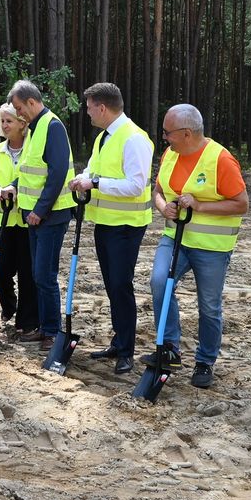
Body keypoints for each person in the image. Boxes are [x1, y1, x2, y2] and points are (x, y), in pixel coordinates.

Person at [149, 104, 249, 389]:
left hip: (212, 247)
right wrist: (162, 208)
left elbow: (242, 204)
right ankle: (169, 347)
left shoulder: (221, 160)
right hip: (175, 238)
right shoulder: (171, 153)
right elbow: (157, 191)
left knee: (209, 305)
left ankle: (205, 360)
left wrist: (200, 205)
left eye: (168, 133)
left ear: (187, 133)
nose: (165, 138)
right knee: (159, 283)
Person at [69, 82, 154, 375]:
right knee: (111, 286)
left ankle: (127, 350)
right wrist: (82, 178)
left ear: (102, 108)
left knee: (121, 285)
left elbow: (135, 184)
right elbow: (94, 170)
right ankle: (119, 342)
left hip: (127, 226)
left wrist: (94, 184)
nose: (87, 113)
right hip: (105, 222)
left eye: (90, 107)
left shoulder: (134, 139)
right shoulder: (104, 137)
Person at [2, 80, 76, 351]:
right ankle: (45, 327)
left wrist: (39, 210)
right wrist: (14, 185)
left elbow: (57, 174)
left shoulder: (53, 126)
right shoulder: (35, 128)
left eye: (20, 108)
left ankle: (53, 332)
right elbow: (31, 170)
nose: (19, 114)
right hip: (35, 215)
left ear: (32, 102)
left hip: (50, 217)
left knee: (45, 275)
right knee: (37, 274)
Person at [0, 103, 38, 337]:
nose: (5, 125)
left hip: (27, 220)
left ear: (22, 122)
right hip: (5, 220)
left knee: (27, 272)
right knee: (2, 270)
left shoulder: (32, 147)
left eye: (9, 120)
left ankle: (26, 320)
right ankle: (9, 306)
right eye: (2, 121)